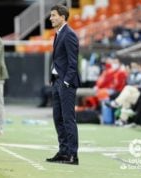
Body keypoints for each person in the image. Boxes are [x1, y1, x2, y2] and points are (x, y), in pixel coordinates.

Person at [46, 5, 81, 165]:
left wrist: (66, 82)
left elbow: (73, 63)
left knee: (68, 119)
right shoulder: (59, 33)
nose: (51, 18)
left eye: (53, 15)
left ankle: (73, 155)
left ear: (62, 17)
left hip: (66, 83)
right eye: (51, 15)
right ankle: (63, 152)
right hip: (57, 82)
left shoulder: (69, 35)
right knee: (58, 118)